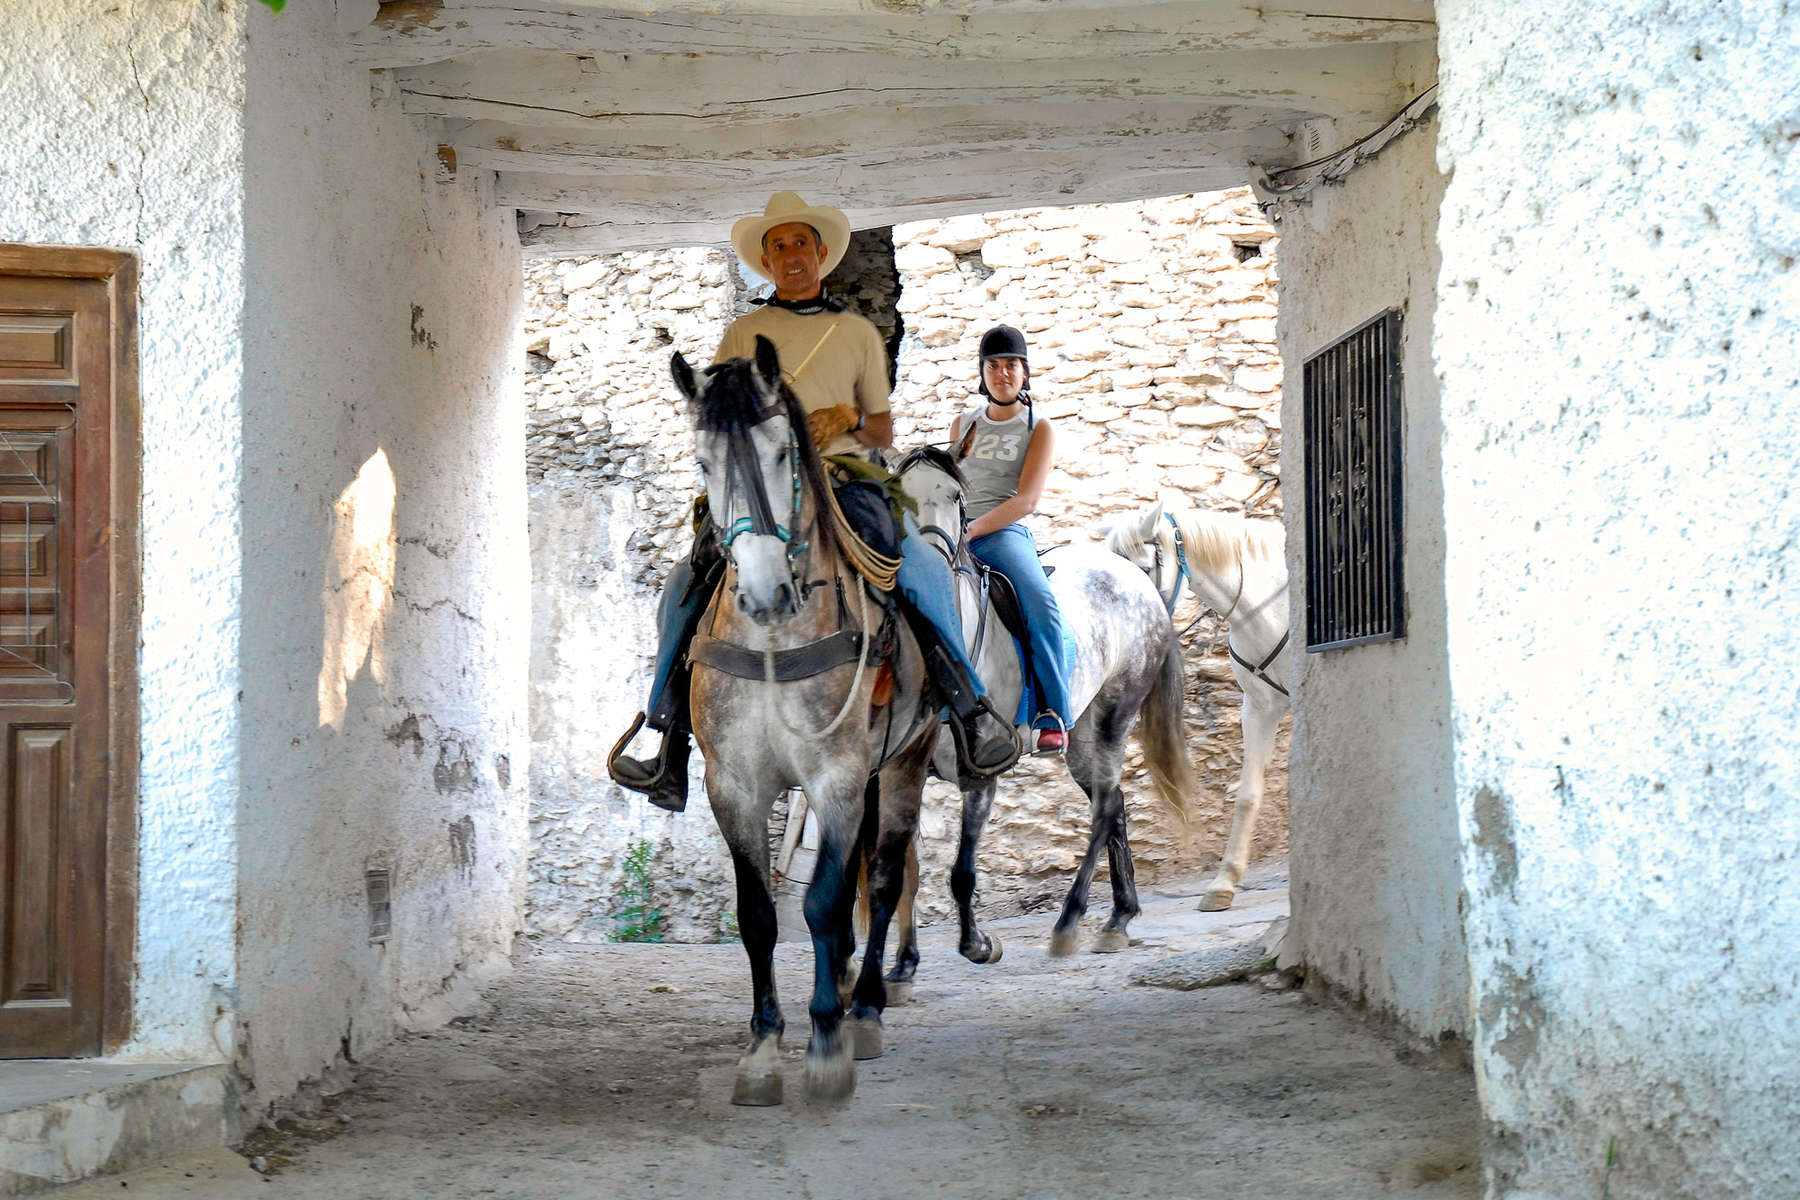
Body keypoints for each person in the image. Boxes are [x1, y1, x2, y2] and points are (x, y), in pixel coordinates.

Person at [608, 192, 1018, 811]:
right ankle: (664, 726)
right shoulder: (743, 331)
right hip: (758, 486)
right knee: (684, 581)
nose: (791, 256)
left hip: (846, 478)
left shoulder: (854, 332)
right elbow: (720, 417)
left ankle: (968, 705)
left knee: (926, 567)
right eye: (778, 247)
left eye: (801, 244)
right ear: (766, 261)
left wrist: (846, 415)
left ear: (821, 254)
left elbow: (882, 431)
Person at [951, 324, 1071, 756]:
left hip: (1002, 532)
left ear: (1024, 372)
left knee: (1040, 601)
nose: (1002, 373)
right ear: (982, 372)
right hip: (953, 530)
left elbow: (1027, 500)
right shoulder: (964, 422)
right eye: (993, 365)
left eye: (1011, 365)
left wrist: (973, 531)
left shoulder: (1039, 427)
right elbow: (955, 485)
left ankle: (1052, 711)